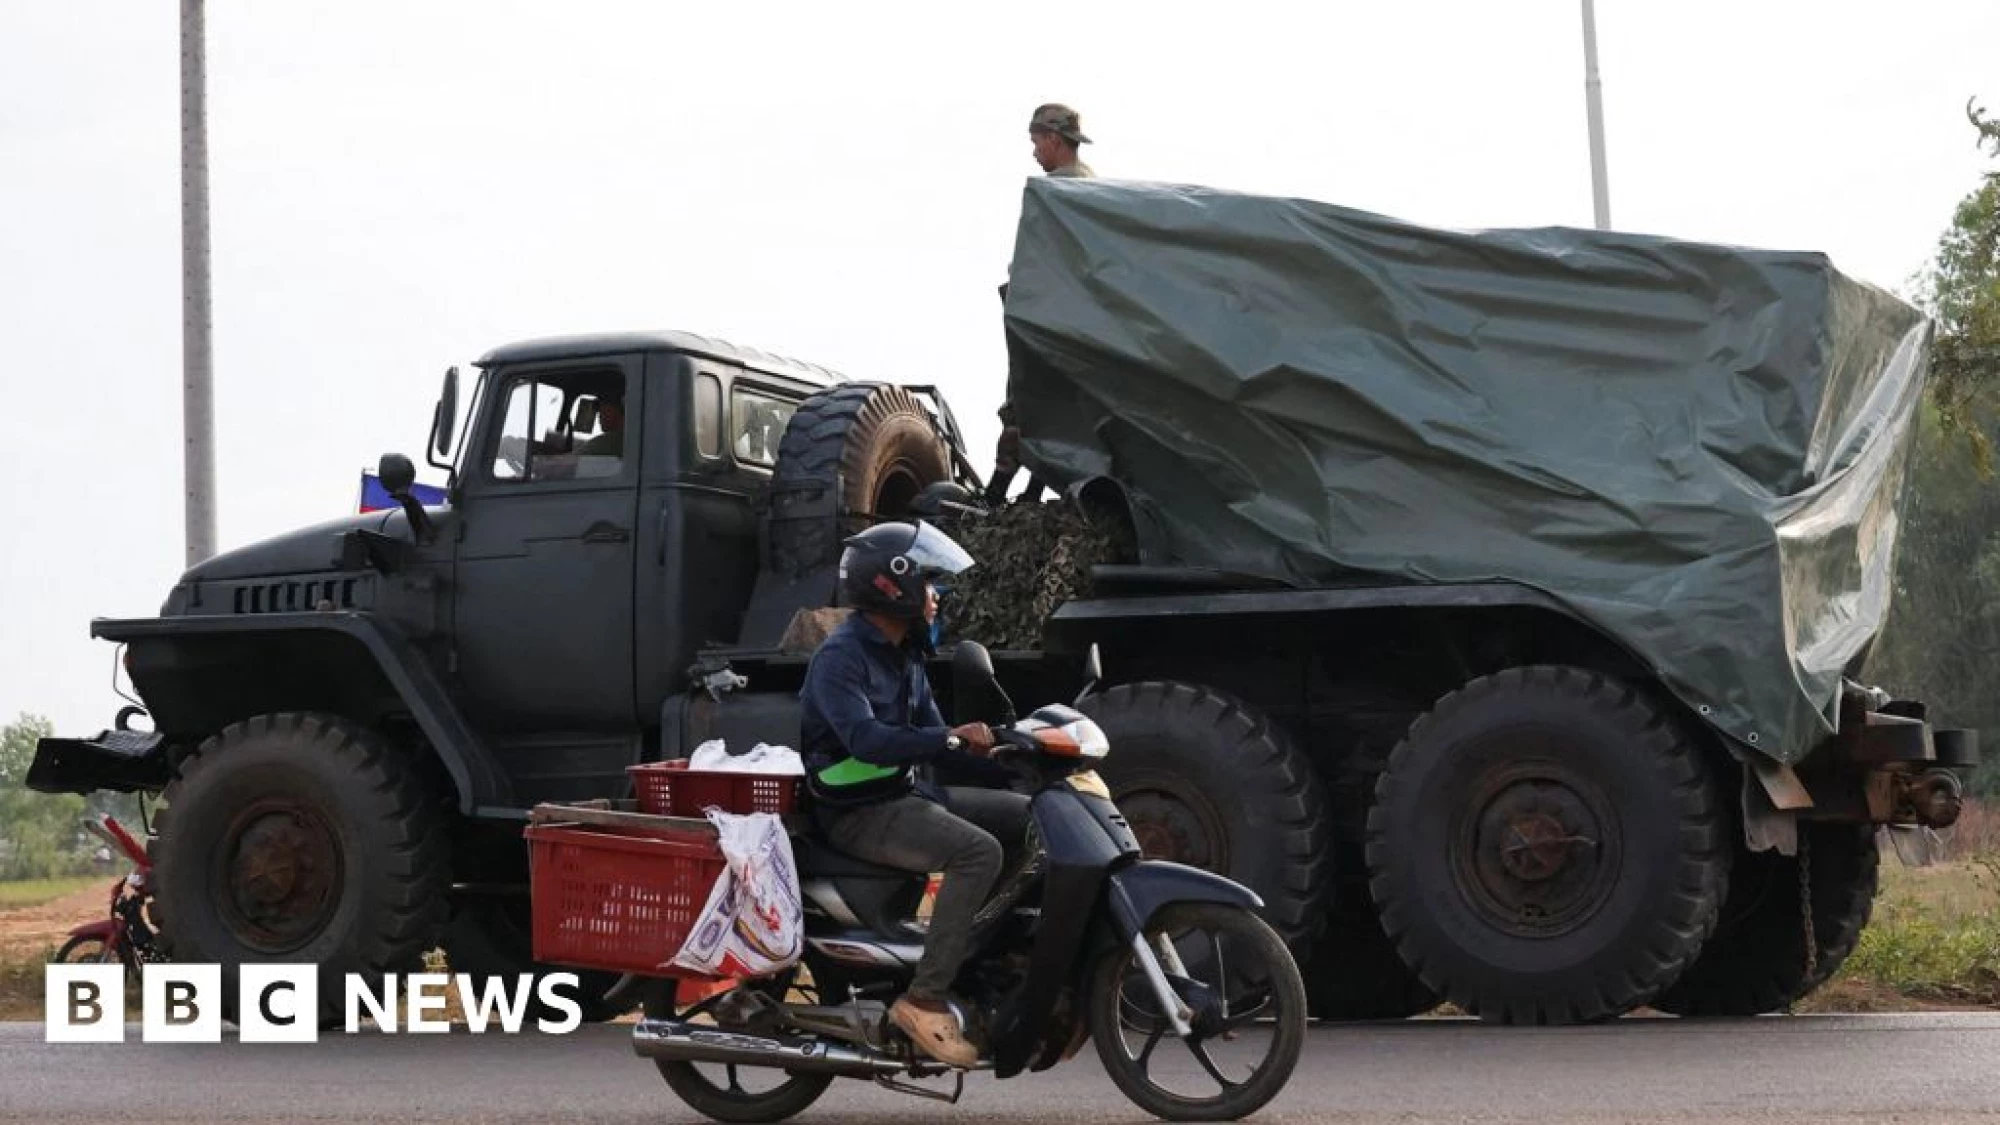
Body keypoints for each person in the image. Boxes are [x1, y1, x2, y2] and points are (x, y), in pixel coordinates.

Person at [798, 521, 1031, 1068]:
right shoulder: (841, 658)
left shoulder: (905, 656)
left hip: (905, 795)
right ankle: (924, 998)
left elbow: (937, 742)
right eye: (927, 583)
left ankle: (977, 957)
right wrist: (950, 737)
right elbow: (867, 740)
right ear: (891, 585)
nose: (935, 596)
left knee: (1031, 818)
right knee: (978, 852)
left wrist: (1013, 756)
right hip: (858, 813)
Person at [989, 104, 1099, 504]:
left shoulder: (1056, 193)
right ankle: (1032, 489)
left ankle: (995, 494)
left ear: (1053, 139)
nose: (1034, 151)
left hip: (1044, 319)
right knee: (1055, 410)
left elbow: (1044, 262)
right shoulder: (1091, 188)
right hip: (1071, 321)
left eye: (1037, 142)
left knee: (1024, 404)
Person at [579, 391, 625, 457]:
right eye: (600, 410)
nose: (600, 415)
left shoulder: (609, 442)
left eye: (607, 410)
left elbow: (574, 459)